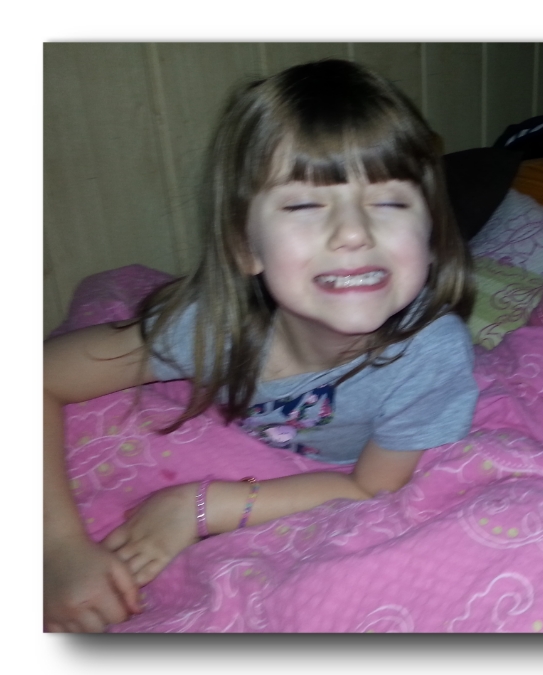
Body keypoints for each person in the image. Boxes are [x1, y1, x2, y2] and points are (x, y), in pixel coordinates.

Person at [43, 59, 478, 632]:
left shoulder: (430, 355)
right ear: (244, 247)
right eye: (303, 205)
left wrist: (200, 506)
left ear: (432, 235)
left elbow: (370, 487)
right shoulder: (210, 328)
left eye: (390, 202)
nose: (354, 233)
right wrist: (56, 548)